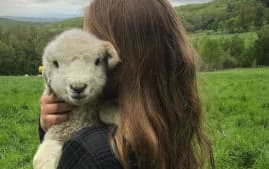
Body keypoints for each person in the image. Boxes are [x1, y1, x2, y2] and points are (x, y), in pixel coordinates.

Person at [39, 0, 215, 169]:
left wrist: (64, 145)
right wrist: (53, 126)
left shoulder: (90, 152)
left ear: (117, 61)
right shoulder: (167, 121)